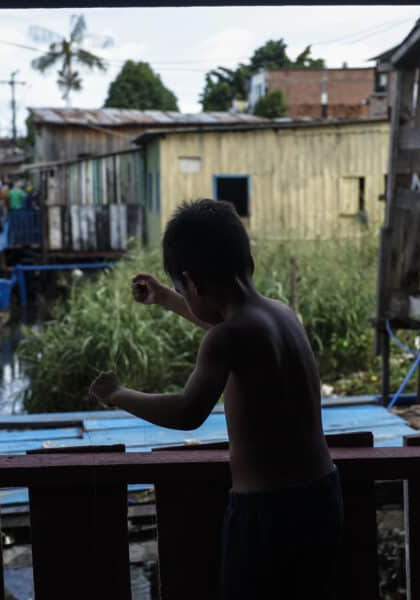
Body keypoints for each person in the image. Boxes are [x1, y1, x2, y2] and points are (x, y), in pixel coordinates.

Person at [89, 199, 342, 599]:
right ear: (250, 262)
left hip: (265, 512)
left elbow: (188, 411)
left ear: (193, 283)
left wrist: (120, 394)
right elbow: (225, 326)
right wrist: (168, 299)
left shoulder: (225, 338)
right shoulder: (280, 315)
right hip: (322, 496)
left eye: (180, 289)